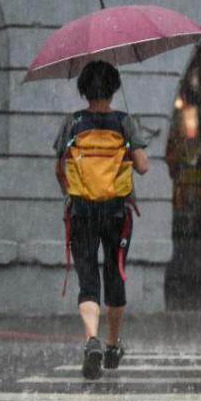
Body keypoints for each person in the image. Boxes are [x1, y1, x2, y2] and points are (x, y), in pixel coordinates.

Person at [53, 60, 150, 380]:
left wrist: (74, 192)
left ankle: (91, 339)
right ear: (114, 88)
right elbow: (144, 166)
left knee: (88, 280)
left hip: (82, 213)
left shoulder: (73, 123)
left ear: (83, 90)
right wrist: (132, 140)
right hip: (117, 214)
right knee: (114, 274)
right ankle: (112, 344)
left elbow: (60, 169)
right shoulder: (124, 122)